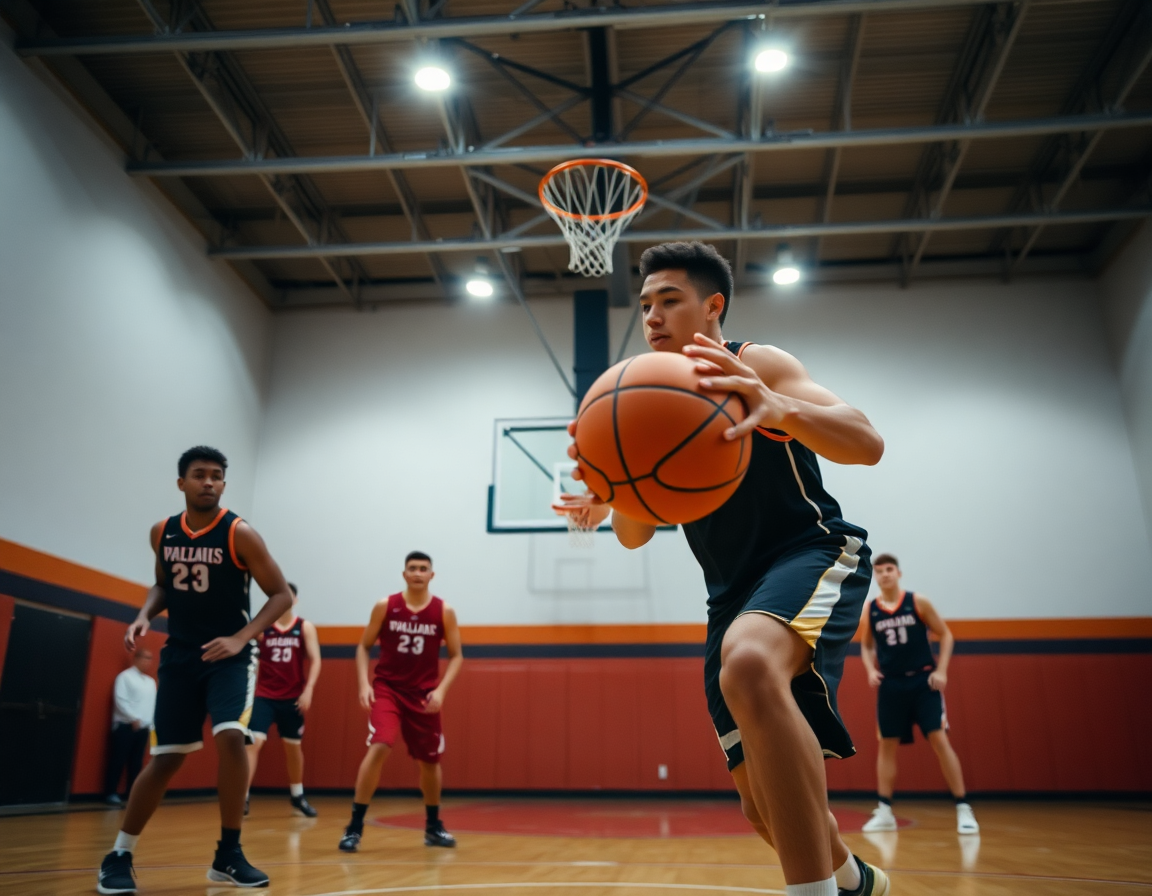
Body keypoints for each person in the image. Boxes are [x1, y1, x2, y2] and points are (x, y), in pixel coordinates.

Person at [555, 242, 888, 896]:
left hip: (812, 551)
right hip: (729, 596)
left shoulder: (753, 363)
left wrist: (779, 407)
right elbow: (635, 535)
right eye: (645, 304)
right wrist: (612, 491)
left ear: (713, 306)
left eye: (669, 300)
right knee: (764, 809)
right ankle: (853, 880)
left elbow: (866, 441)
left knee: (750, 662)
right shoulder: (649, 399)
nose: (651, 315)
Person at [96, 446, 294, 895]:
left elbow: (281, 594)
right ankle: (120, 853)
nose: (209, 482)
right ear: (181, 482)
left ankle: (228, 853)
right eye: (200, 475)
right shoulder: (162, 532)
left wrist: (242, 638)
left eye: (217, 476)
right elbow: (164, 585)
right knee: (166, 758)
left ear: (224, 484)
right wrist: (145, 613)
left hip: (230, 655)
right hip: (181, 656)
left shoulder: (240, 533)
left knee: (230, 735)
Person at [338, 551, 463, 853]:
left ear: (432, 575)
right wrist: (364, 684)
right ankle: (354, 827)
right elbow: (363, 647)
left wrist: (442, 691)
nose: (418, 573)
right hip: (388, 690)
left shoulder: (443, 611)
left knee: (430, 762)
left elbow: (457, 655)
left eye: (423, 569)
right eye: (412, 568)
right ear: (404, 574)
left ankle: (433, 827)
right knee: (380, 743)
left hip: (423, 695)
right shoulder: (386, 606)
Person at [859, 554, 978, 835]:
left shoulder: (917, 602)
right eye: (880, 571)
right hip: (891, 685)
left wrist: (943, 671)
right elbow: (866, 646)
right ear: (875, 576)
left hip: (923, 681)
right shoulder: (871, 609)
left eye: (889, 569)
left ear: (898, 574)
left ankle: (963, 807)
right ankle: (885, 810)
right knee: (887, 744)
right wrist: (868, 669)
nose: (885, 574)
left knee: (938, 738)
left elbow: (946, 635)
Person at [245, 582, 321, 818]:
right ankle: (242, 796)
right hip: (264, 695)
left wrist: (308, 690)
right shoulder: (263, 626)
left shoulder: (304, 627)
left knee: (292, 747)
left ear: (295, 600)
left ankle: (297, 795)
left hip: (292, 697)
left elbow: (316, 660)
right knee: (253, 743)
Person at [104, 648, 156, 807]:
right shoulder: (125, 677)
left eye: (151, 658)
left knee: (136, 763)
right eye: (146, 658)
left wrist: (150, 724)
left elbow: (152, 705)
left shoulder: (151, 682)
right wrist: (133, 718)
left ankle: (131, 794)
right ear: (136, 658)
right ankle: (110, 793)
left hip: (144, 728)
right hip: (125, 726)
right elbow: (120, 700)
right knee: (118, 760)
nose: (148, 662)